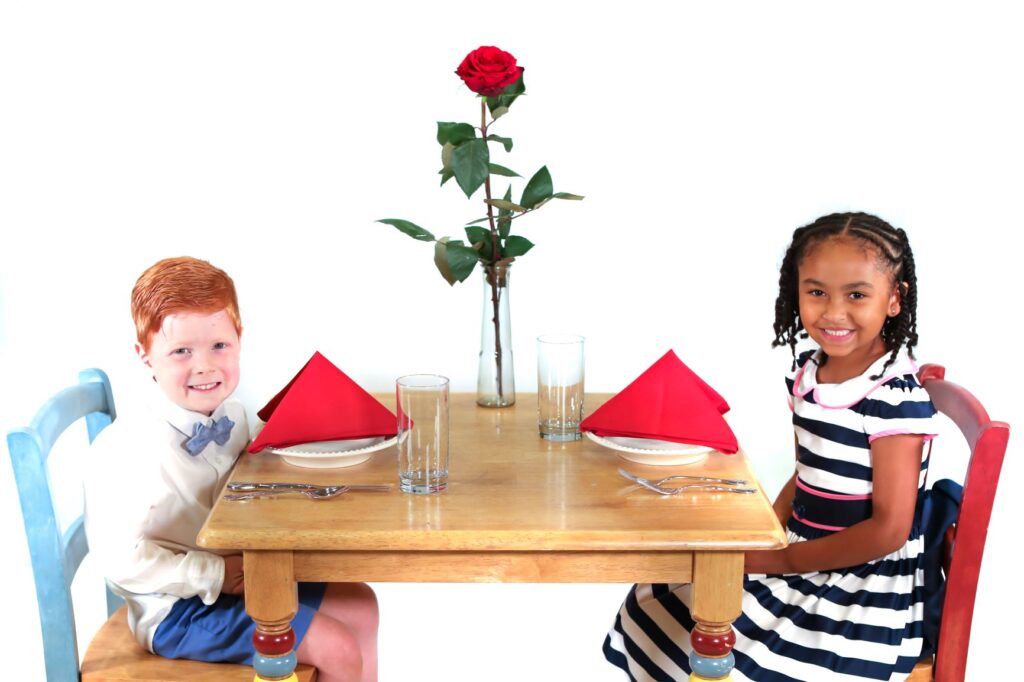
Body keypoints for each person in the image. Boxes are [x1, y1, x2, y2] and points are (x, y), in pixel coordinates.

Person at [603, 213, 941, 681]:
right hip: (804, 549)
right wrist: (765, 534)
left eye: (857, 295)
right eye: (817, 292)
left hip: (860, 583)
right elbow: (810, 474)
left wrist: (779, 560)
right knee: (657, 599)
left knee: (738, 651)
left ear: (894, 300)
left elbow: (888, 531)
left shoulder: (893, 398)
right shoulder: (809, 372)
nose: (834, 312)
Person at [84, 256, 378, 682]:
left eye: (218, 346)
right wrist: (217, 574)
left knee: (361, 604)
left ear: (239, 339)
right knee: (336, 645)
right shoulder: (127, 450)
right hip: (174, 610)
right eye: (181, 351)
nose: (203, 366)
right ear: (145, 355)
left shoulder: (232, 416)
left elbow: (253, 472)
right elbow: (120, 562)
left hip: (243, 576)